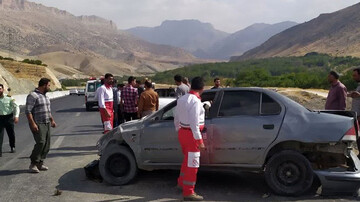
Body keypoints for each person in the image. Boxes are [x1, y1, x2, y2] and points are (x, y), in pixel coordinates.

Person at [174, 77, 206, 201]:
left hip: (183, 132)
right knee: (193, 164)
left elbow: (176, 118)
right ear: (202, 89)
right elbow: (194, 123)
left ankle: (181, 183)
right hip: (192, 135)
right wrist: (200, 141)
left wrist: (180, 130)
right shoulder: (196, 102)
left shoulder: (182, 99)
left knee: (186, 160)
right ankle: (188, 191)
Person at [26, 78, 57, 173]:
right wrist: (33, 124)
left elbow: (48, 110)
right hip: (38, 123)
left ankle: (40, 162)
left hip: (46, 122)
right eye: (48, 85)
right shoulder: (33, 95)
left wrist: (52, 120)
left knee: (47, 144)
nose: (49, 87)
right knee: (41, 142)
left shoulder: (46, 97)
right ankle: (33, 163)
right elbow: (28, 111)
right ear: (44, 85)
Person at [0, 84, 19, 157]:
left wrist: (16, 116)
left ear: (3, 89)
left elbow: (16, 106)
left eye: (0, 89)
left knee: (11, 133)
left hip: (8, 118)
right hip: (0, 118)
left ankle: (12, 146)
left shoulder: (9, 97)